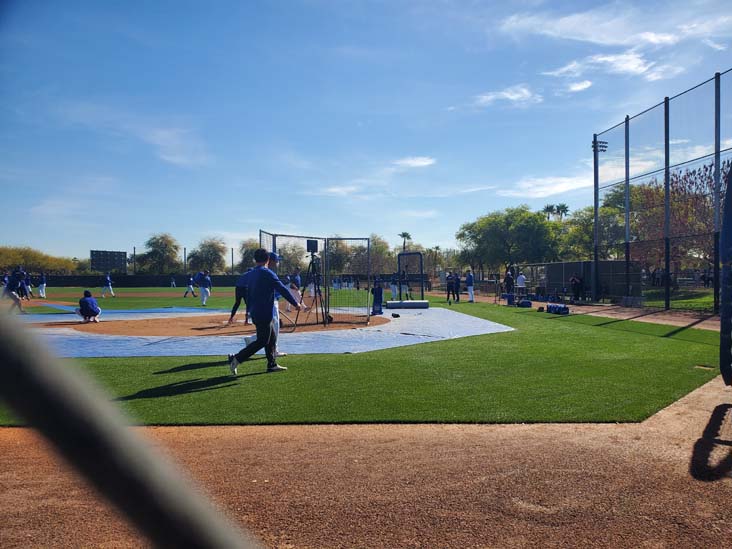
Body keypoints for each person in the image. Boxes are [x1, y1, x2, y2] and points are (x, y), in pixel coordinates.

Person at [227, 249, 301, 375]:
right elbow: (282, 289)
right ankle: (237, 358)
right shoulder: (268, 273)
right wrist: (295, 303)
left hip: (256, 311)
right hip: (264, 312)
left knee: (271, 337)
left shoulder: (250, 274)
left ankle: (271, 364)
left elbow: (244, 289)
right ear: (268, 260)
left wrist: (249, 309)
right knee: (263, 340)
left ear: (255, 260)